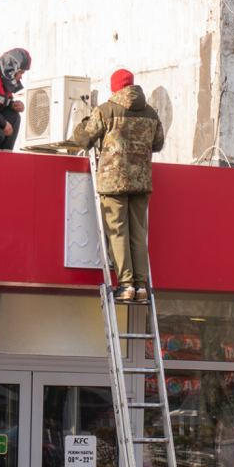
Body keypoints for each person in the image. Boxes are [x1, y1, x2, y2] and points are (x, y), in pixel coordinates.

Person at [71, 68, 165, 303]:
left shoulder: (105, 110)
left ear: (115, 87)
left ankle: (126, 285)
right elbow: (158, 143)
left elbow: (83, 139)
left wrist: (83, 121)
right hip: (142, 182)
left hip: (113, 182)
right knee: (138, 233)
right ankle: (141, 286)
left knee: (118, 232)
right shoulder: (151, 113)